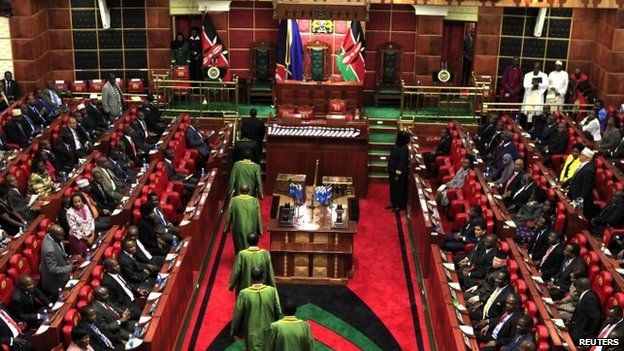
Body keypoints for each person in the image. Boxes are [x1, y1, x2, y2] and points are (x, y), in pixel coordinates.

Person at [231, 267, 282, 351]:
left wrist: (235, 330)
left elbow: (238, 315)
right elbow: (278, 311)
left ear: (251, 277)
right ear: (263, 277)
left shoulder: (244, 294)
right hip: (269, 331)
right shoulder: (272, 291)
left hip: (251, 333)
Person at [39, 225, 78, 298]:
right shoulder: (49, 250)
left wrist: (68, 256)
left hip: (62, 273)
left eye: (63, 235)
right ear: (53, 235)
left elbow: (59, 248)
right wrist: (70, 268)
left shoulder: (49, 236)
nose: (62, 238)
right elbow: (52, 269)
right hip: (55, 282)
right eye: (60, 236)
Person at [224, 184, 262, 253]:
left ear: (239, 190)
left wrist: (227, 228)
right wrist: (260, 229)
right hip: (251, 227)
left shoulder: (234, 200)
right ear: (249, 191)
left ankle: (241, 259)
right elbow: (258, 215)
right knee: (250, 245)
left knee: (240, 246)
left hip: (238, 228)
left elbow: (229, 214)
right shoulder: (254, 200)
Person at [568, 277, 602, 343]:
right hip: (576, 326)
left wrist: (589, 337)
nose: (575, 290)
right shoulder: (586, 295)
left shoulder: (590, 298)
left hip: (582, 334)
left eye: (576, 287)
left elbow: (597, 319)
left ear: (581, 288)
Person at [565, 147, 596, 217]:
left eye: (581, 154)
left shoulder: (589, 170)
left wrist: (578, 202)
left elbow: (586, 188)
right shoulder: (583, 165)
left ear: (586, 157)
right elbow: (573, 178)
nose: (579, 155)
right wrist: (562, 185)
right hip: (573, 196)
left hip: (579, 200)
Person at [66, 193, 97, 258]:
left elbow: (91, 220)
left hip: (89, 234)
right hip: (78, 239)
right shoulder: (69, 213)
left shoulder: (85, 206)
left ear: (82, 200)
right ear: (72, 203)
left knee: (93, 253)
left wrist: (93, 234)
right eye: (75, 202)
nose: (78, 204)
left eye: (79, 201)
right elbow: (74, 229)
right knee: (83, 258)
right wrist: (86, 239)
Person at [521, 62, 549, 128]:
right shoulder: (528, 75)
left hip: (538, 95)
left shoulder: (544, 75)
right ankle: (527, 127)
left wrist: (538, 85)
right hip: (530, 94)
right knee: (528, 112)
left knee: (536, 112)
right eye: (535, 68)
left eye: (537, 68)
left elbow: (545, 85)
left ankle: (535, 127)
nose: (536, 69)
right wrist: (533, 86)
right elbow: (525, 85)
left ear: (540, 68)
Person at [387, 131, 409, 212]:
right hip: (392, 170)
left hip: (398, 173)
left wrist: (397, 174)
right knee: (393, 188)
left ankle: (398, 206)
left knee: (398, 189)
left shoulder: (404, 149)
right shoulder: (397, 145)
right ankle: (393, 204)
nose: (395, 137)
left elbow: (401, 163)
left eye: (396, 136)